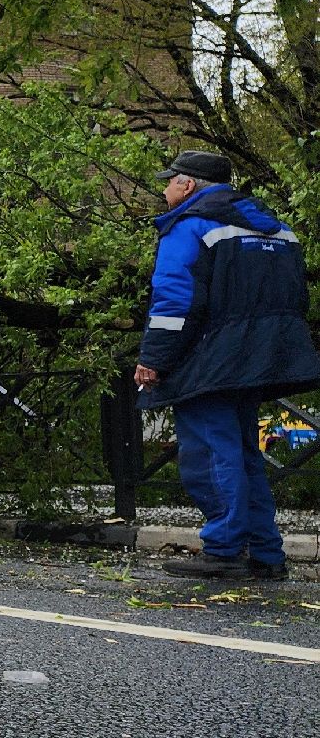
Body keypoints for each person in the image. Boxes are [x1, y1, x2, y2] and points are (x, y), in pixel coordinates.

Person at [137, 150, 320, 580]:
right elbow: (296, 296)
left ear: (187, 185)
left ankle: (222, 549)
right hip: (262, 358)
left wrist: (153, 359)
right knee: (242, 453)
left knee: (210, 453)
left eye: (169, 181)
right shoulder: (275, 227)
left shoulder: (190, 226)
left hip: (210, 359)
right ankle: (266, 553)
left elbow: (174, 302)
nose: (164, 190)